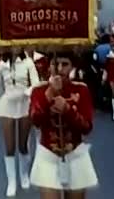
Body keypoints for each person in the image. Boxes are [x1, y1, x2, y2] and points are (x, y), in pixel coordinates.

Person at [29, 51, 98, 198]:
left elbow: (87, 128)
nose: (60, 69)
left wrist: (68, 110)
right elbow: (35, 120)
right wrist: (49, 95)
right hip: (48, 155)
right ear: (49, 67)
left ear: (72, 66)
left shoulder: (81, 89)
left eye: (65, 64)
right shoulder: (38, 90)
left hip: (76, 155)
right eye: (55, 64)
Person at [0, 47, 40, 197]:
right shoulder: (1, 66)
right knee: (9, 146)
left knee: (23, 145)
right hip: (7, 104)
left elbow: (36, 84)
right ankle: (11, 182)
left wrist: (28, 91)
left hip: (25, 103)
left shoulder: (28, 63)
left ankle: (24, 175)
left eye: (17, 44)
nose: (15, 47)